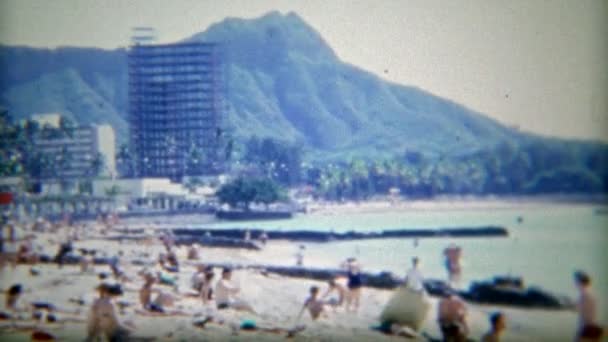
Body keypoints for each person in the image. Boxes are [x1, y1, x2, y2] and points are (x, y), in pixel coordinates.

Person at [574, 271, 603, 341]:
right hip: (594, 327)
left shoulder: (584, 294)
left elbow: (580, 310)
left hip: (587, 328)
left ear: (580, 282)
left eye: (576, 281)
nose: (575, 283)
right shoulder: (592, 293)